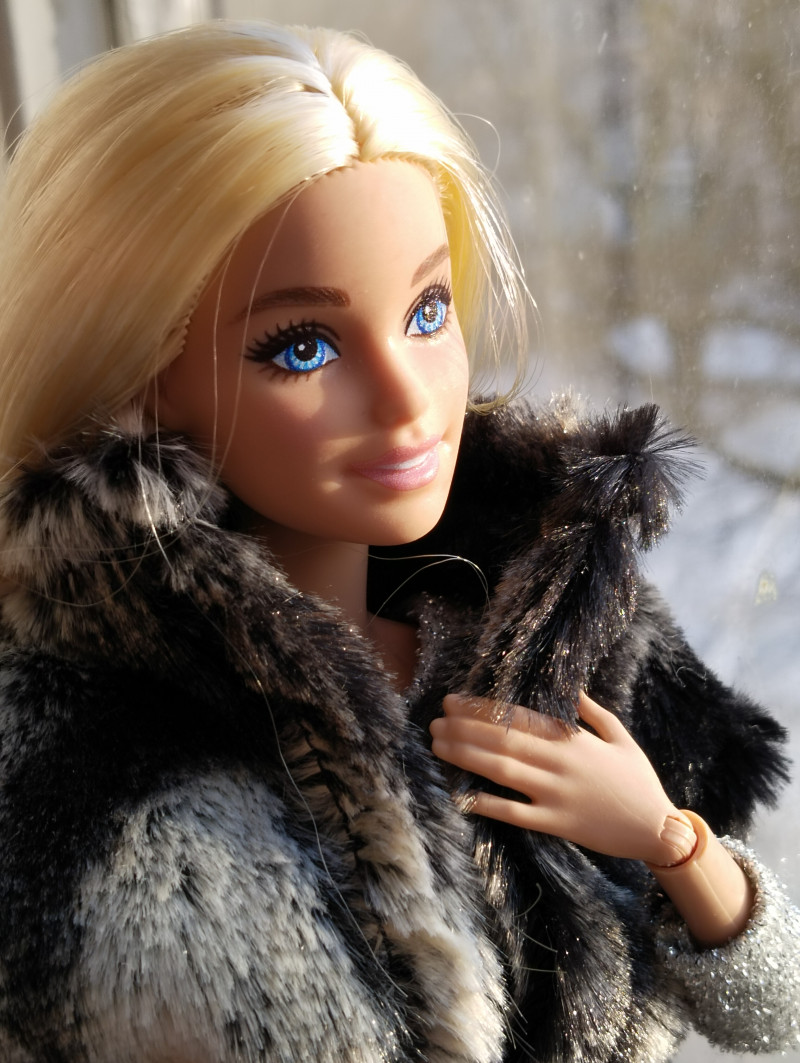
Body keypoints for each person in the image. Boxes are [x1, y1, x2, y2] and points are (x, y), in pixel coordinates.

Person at [0, 20, 796, 1063]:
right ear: (137, 377)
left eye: (426, 312)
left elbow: (774, 1010)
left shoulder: (553, 618)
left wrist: (667, 840)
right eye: (302, 346)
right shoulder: (69, 761)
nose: (406, 400)